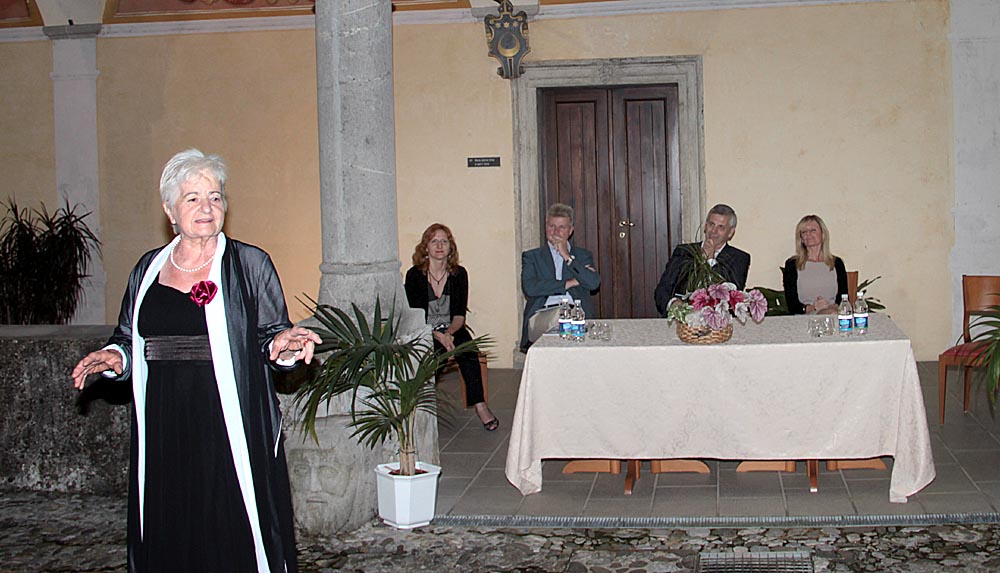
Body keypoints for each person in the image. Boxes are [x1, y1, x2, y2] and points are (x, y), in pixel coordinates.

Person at [70, 149, 321, 573]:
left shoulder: (250, 264)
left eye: (215, 197)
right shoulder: (147, 269)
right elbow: (128, 338)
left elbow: (270, 335)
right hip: (165, 425)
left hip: (226, 423)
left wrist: (284, 345)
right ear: (170, 210)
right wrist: (114, 356)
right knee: (172, 523)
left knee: (230, 526)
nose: (207, 207)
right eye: (193, 198)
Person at [404, 223, 499, 431]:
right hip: (425, 331)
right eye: (434, 241)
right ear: (425, 247)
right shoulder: (414, 276)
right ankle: (421, 409)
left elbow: (459, 315)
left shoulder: (458, 274)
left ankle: (481, 406)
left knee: (468, 352)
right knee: (433, 358)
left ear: (450, 247)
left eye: (444, 241)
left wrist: (448, 333)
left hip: (452, 329)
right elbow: (416, 317)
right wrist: (439, 336)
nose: (439, 246)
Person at [520, 203, 601, 351]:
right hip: (542, 315)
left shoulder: (582, 256)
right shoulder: (532, 257)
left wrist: (567, 257)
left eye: (561, 227)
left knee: (574, 326)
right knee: (561, 319)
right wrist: (569, 283)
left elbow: (593, 283)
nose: (556, 232)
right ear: (546, 227)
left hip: (576, 314)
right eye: (552, 226)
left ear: (570, 230)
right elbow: (531, 288)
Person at [653, 204, 751, 316]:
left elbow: (730, 297)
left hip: (717, 322)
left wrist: (710, 259)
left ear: (730, 232)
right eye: (711, 224)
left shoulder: (740, 259)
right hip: (681, 320)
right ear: (705, 226)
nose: (714, 231)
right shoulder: (683, 252)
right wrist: (674, 304)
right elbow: (662, 291)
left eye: (721, 227)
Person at [782, 214, 848, 315]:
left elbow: (844, 298)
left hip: (834, 313)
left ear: (823, 234)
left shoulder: (837, 263)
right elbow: (792, 304)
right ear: (801, 239)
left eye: (813, 230)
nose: (808, 234)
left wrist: (828, 308)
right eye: (804, 232)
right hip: (805, 317)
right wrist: (813, 308)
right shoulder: (792, 264)